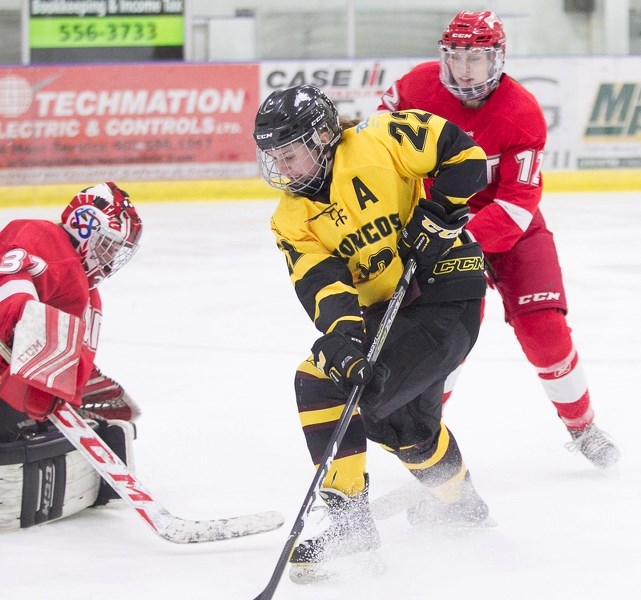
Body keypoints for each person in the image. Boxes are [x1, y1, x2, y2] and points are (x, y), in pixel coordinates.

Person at [253, 84, 490, 582]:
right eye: (273, 157)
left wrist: (442, 212)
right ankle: (461, 503)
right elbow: (323, 288)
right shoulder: (290, 219)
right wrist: (343, 342)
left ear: (321, 137)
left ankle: (351, 527)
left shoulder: (380, 138)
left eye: (290, 155)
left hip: (446, 291)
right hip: (391, 313)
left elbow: (464, 153)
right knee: (401, 428)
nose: (282, 169)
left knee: (317, 381)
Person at [378, 10, 619, 469]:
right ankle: (423, 440)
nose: (465, 69)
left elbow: (516, 205)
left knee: (544, 328)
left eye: (478, 57)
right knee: (444, 340)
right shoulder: (413, 89)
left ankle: (583, 428)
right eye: (457, 57)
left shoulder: (521, 111)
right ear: (443, 57)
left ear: (499, 59)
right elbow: (378, 154)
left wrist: (449, 238)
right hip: (437, 225)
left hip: (509, 230)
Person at [0, 182, 142, 531]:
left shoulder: (90, 297)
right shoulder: (42, 237)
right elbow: (11, 280)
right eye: (108, 246)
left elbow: (64, 361)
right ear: (85, 226)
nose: (109, 260)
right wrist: (21, 320)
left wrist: (73, 389)